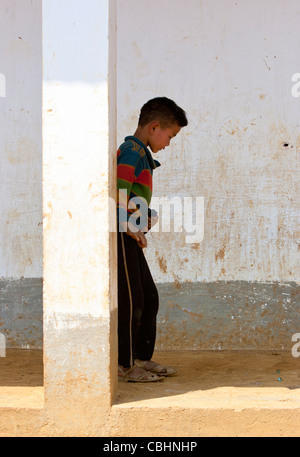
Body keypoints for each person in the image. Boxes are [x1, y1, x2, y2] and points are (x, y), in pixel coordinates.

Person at [117, 97, 188, 382]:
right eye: (169, 136)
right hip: (122, 236)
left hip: (131, 233)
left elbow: (133, 196)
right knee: (131, 300)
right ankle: (125, 365)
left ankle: (141, 358)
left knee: (149, 297)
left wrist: (146, 217)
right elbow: (120, 188)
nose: (169, 143)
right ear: (154, 127)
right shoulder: (131, 151)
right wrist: (125, 224)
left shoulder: (141, 154)